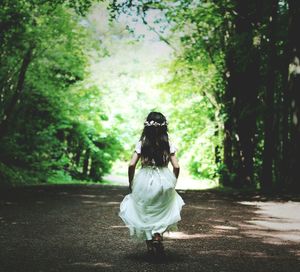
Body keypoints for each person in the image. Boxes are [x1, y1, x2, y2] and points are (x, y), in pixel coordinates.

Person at [119, 111, 185, 255]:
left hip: (144, 180)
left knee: (145, 210)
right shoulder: (168, 144)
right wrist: (172, 183)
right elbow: (177, 166)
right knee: (162, 210)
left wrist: (131, 183)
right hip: (164, 179)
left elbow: (131, 165)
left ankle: (149, 244)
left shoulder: (142, 143)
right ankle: (157, 234)